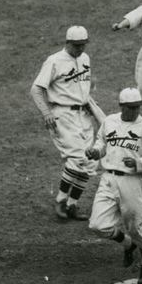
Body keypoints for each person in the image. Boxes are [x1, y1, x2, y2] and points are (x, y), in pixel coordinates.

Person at [85, 88, 142, 284]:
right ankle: (128, 245)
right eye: (131, 107)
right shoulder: (109, 122)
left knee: (136, 228)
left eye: (137, 107)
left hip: (133, 182)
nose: (135, 111)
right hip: (109, 179)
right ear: (122, 106)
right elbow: (102, 143)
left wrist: (138, 164)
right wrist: (95, 152)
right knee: (97, 224)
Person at [30, 25, 99, 221]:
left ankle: (72, 205)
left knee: (91, 160)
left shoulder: (85, 59)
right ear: (67, 43)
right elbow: (35, 89)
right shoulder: (54, 61)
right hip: (62, 114)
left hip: (82, 114)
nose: (80, 49)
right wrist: (46, 113)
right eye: (76, 45)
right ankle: (60, 200)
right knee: (77, 158)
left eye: (83, 45)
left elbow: (84, 85)